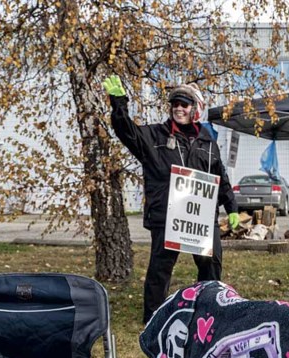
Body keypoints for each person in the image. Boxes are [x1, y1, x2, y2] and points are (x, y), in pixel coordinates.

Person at [103, 75, 240, 324]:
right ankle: (153, 319)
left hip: (201, 218)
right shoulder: (155, 136)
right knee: (160, 270)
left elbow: (220, 175)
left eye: (184, 104)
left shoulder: (208, 142)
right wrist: (119, 103)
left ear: (195, 109)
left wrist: (231, 206)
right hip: (167, 217)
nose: (179, 108)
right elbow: (126, 132)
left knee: (211, 265)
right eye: (175, 103)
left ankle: (208, 312)